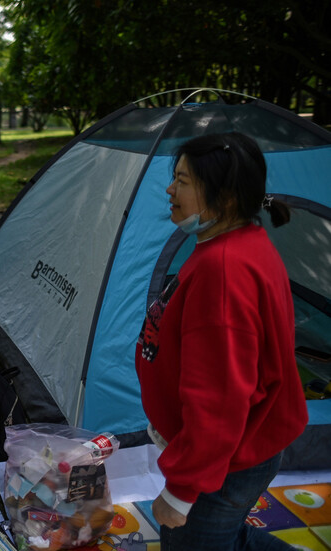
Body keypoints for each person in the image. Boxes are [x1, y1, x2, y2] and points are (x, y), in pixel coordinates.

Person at [135, 132, 307, 550]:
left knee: (193, 542)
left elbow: (221, 400)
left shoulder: (225, 271)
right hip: (227, 452)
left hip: (226, 459)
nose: (170, 190)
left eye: (184, 181)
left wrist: (181, 490)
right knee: (226, 536)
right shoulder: (233, 242)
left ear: (225, 197)